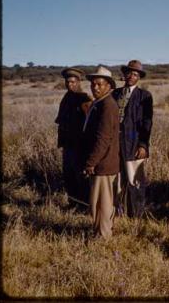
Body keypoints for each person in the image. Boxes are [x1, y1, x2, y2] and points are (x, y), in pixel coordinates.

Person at [112, 60, 153, 218]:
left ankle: (136, 215)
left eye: (135, 74)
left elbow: (147, 123)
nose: (131, 76)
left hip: (134, 143)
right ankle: (119, 213)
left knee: (134, 181)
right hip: (116, 144)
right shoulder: (115, 94)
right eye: (128, 73)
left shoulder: (144, 96)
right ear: (124, 74)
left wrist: (143, 145)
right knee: (117, 181)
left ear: (139, 77)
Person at [83, 66, 119, 239]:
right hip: (101, 161)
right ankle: (100, 233)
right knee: (97, 202)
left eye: (99, 84)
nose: (95, 87)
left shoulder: (108, 105)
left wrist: (91, 162)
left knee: (102, 202)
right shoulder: (99, 103)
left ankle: (103, 236)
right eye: (93, 84)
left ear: (108, 86)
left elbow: (103, 139)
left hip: (104, 163)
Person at [54, 67, 92, 209]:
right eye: (67, 82)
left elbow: (91, 124)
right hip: (67, 145)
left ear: (79, 82)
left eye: (73, 82)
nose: (70, 85)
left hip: (79, 146)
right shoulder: (66, 98)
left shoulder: (84, 99)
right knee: (68, 176)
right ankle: (73, 203)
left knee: (80, 176)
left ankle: (84, 205)